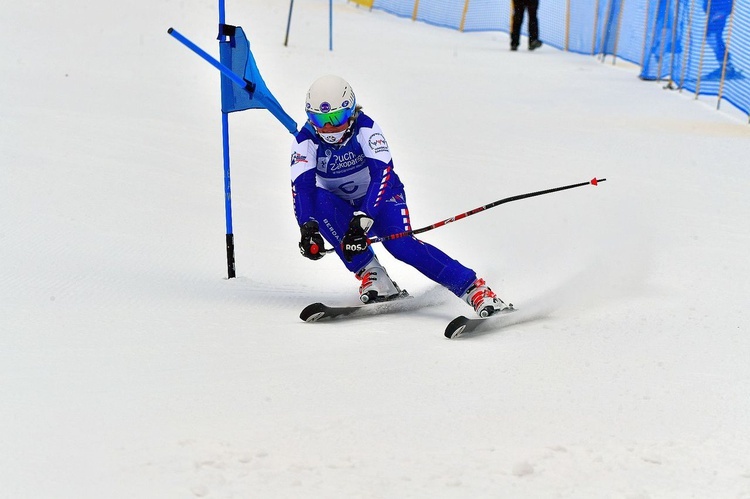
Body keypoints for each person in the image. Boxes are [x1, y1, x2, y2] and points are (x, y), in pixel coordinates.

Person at [290, 75, 511, 318]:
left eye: (336, 119)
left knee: (400, 245)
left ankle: (475, 290)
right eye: (320, 120)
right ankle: (373, 275)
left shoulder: (366, 128)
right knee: (319, 202)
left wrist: (364, 217)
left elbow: (382, 173)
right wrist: (308, 229)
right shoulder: (305, 140)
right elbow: (303, 189)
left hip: (381, 197)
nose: (329, 129)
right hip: (340, 206)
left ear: (351, 111)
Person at [702, 0, 738, 77]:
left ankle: (727, 68)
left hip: (719, 10)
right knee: (710, 37)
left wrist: (723, 11)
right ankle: (726, 66)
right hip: (712, 10)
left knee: (713, 36)